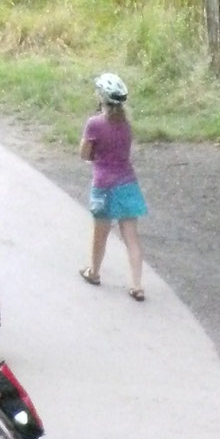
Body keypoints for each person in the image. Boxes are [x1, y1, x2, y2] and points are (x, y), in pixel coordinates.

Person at [79, 72, 147, 300]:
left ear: (102, 98)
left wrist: (95, 155)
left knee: (101, 234)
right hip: (128, 184)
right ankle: (137, 285)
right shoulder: (126, 125)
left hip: (104, 186)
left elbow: (84, 154)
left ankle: (94, 272)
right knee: (131, 237)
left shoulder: (94, 124)